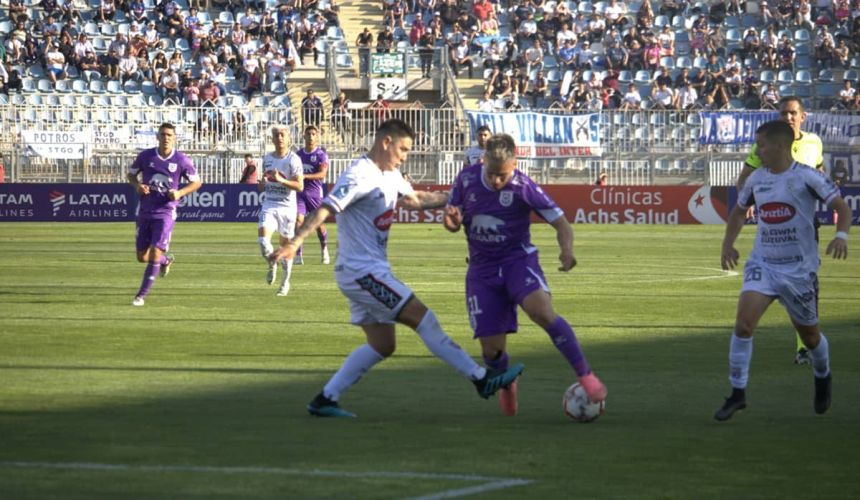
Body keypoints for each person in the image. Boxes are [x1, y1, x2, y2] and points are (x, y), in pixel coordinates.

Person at [270, 119, 524, 418]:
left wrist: (461, 199)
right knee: (425, 319)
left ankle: (326, 399)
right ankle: (481, 379)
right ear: (386, 142)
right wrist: (295, 242)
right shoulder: (358, 175)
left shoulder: (390, 173)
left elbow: (415, 200)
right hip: (361, 272)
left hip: (365, 271)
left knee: (383, 344)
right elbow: (326, 208)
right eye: (403, 149)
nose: (405, 156)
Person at [443, 133, 606, 416]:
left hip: (517, 262)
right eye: (492, 174)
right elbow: (453, 219)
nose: (496, 181)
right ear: (483, 162)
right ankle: (508, 383)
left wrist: (566, 251)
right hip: (482, 270)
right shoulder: (466, 179)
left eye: (502, 175)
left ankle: (586, 375)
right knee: (492, 351)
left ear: (515, 165)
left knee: (541, 310)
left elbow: (562, 223)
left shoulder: (523, 186)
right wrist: (452, 222)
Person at [714, 120, 851, 421]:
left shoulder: (806, 177)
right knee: (743, 326)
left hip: (798, 270)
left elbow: (843, 207)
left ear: (779, 146)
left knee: (811, 337)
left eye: (761, 144)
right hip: (762, 263)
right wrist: (728, 244)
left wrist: (841, 236)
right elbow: (738, 213)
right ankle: (737, 393)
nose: (757, 150)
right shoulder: (756, 179)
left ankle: (822, 374)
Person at [735, 96, 825, 365]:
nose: (788, 118)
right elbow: (745, 176)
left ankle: (804, 347)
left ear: (803, 116)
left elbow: (820, 171)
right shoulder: (765, 145)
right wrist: (746, 200)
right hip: (775, 227)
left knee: (806, 288)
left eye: (792, 113)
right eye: (783, 113)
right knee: (771, 284)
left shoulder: (814, 142)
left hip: (806, 226)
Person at [127, 123, 203, 307]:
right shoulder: (146, 156)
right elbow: (130, 175)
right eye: (163, 134)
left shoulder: (181, 160)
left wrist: (179, 193)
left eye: (169, 135)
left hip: (166, 211)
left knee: (154, 251)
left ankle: (140, 296)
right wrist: (138, 186)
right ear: (157, 136)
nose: (166, 137)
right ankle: (165, 261)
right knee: (141, 256)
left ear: (174, 137)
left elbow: (197, 182)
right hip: (145, 210)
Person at [257, 126, 304, 296]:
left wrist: (280, 179)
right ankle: (272, 263)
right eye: (276, 135)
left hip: (287, 208)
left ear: (288, 138)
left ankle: (285, 283)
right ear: (272, 139)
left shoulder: (294, 160)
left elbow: (299, 186)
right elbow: (262, 186)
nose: (279, 137)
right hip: (270, 204)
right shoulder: (267, 158)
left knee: (285, 249)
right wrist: (262, 183)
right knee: (263, 242)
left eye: (282, 134)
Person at [295, 125, 331, 265]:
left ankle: (324, 249)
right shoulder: (298, 155)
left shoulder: (321, 155)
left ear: (317, 137)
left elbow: (322, 174)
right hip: (300, 192)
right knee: (298, 220)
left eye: (313, 134)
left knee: (319, 224)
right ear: (304, 136)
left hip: (315, 194)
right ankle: (298, 255)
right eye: (308, 134)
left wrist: (305, 176)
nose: (310, 136)